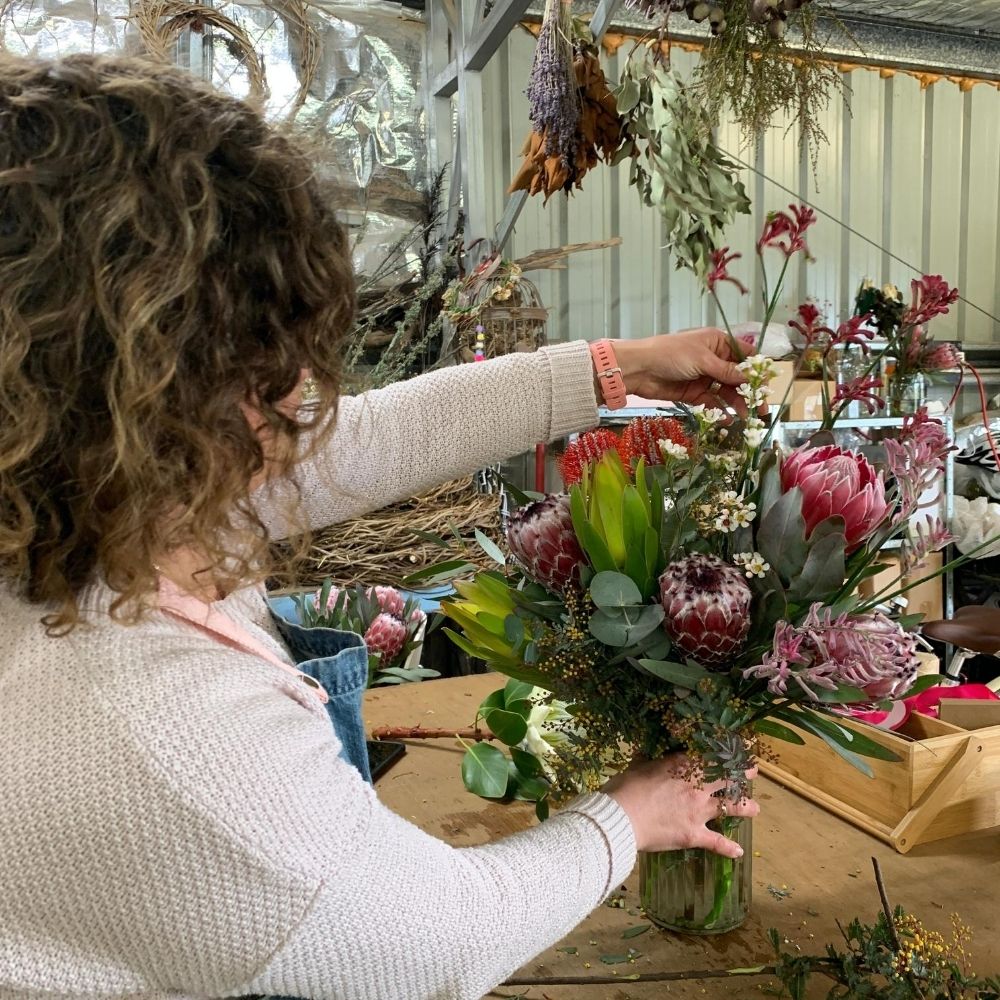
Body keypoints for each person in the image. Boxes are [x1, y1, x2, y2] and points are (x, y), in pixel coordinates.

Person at [0, 53, 759, 1000]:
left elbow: (346, 449)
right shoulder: (173, 748)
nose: (304, 403)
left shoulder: (74, 504)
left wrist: (613, 369)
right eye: (272, 370)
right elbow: (442, 942)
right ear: (159, 397)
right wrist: (629, 816)